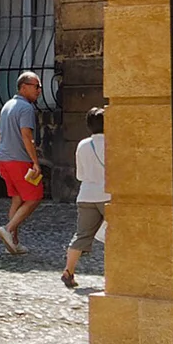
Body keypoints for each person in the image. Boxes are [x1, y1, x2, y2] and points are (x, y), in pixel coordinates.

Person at [0, 71, 47, 255]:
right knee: (34, 197)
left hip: (4, 159)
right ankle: (8, 230)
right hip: (19, 160)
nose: (39, 90)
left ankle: (14, 243)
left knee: (17, 198)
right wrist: (35, 162)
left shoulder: (7, 106)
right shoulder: (25, 108)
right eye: (36, 86)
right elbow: (27, 135)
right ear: (23, 87)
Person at [64, 106, 109, 289]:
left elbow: (80, 175)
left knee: (81, 235)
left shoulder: (82, 145)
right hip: (108, 195)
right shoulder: (114, 143)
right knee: (115, 235)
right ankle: (114, 275)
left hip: (86, 194)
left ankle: (68, 271)